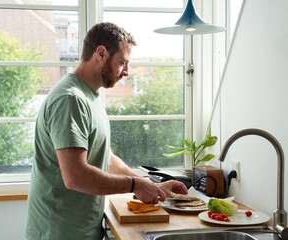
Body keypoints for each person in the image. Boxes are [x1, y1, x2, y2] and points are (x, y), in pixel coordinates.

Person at [25, 22, 188, 240]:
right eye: (123, 62)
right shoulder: (70, 99)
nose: (127, 72)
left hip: (80, 230)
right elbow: (75, 177)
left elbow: (106, 158)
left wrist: (148, 185)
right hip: (59, 232)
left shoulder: (90, 96)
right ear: (101, 53)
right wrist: (134, 185)